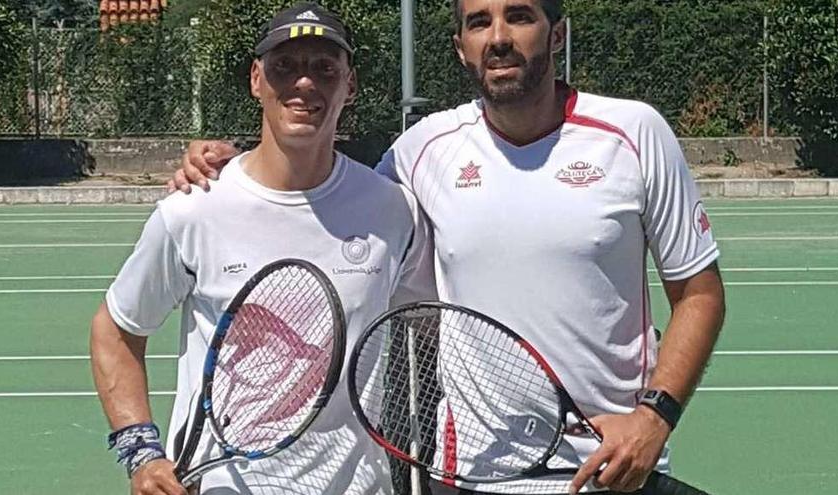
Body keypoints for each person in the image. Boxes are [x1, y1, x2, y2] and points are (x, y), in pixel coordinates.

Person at [171, 0, 726, 494]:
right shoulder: (425, 149)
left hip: (610, 466)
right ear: (462, 47)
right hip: (471, 473)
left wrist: (654, 418)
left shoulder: (635, 132)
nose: (499, 37)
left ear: (557, 34)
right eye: (479, 22)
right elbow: (328, 197)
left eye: (520, 16)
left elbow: (699, 294)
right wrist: (232, 163)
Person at [90, 3, 435, 494]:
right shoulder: (195, 207)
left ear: (349, 85)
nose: (304, 83)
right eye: (284, 67)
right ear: (256, 79)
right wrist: (142, 454)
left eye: (324, 68)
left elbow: (433, 325)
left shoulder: (393, 209)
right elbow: (116, 330)